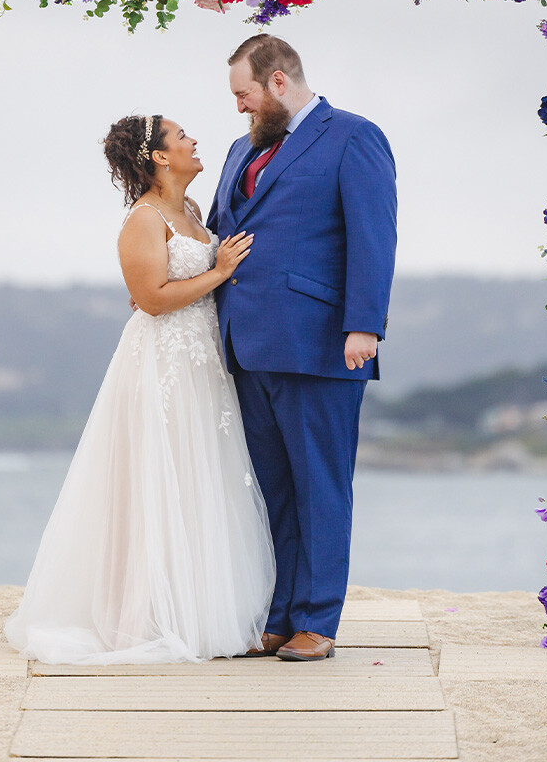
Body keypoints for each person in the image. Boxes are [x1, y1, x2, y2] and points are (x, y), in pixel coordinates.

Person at [4, 114, 275, 664]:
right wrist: (220, 271)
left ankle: (203, 615)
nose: (195, 140)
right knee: (161, 476)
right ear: (157, 156)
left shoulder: (193, 211)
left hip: (203, 360)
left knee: (203, 477)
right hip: (162, 362)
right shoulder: (143, 220)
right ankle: (148, 617)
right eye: (182, 137)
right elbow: (151, 298)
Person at [208, 35, 397, 662]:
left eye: (245, 94)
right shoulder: (242, 149)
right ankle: (280, 614)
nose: (239, 107)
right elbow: (219, 234)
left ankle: (318, 620)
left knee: (320, 485)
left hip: (322, 344)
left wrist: (364, 325)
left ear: (279, 82)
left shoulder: (353, 136)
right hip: (245, 344)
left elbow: (374, 235)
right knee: (271, 489)